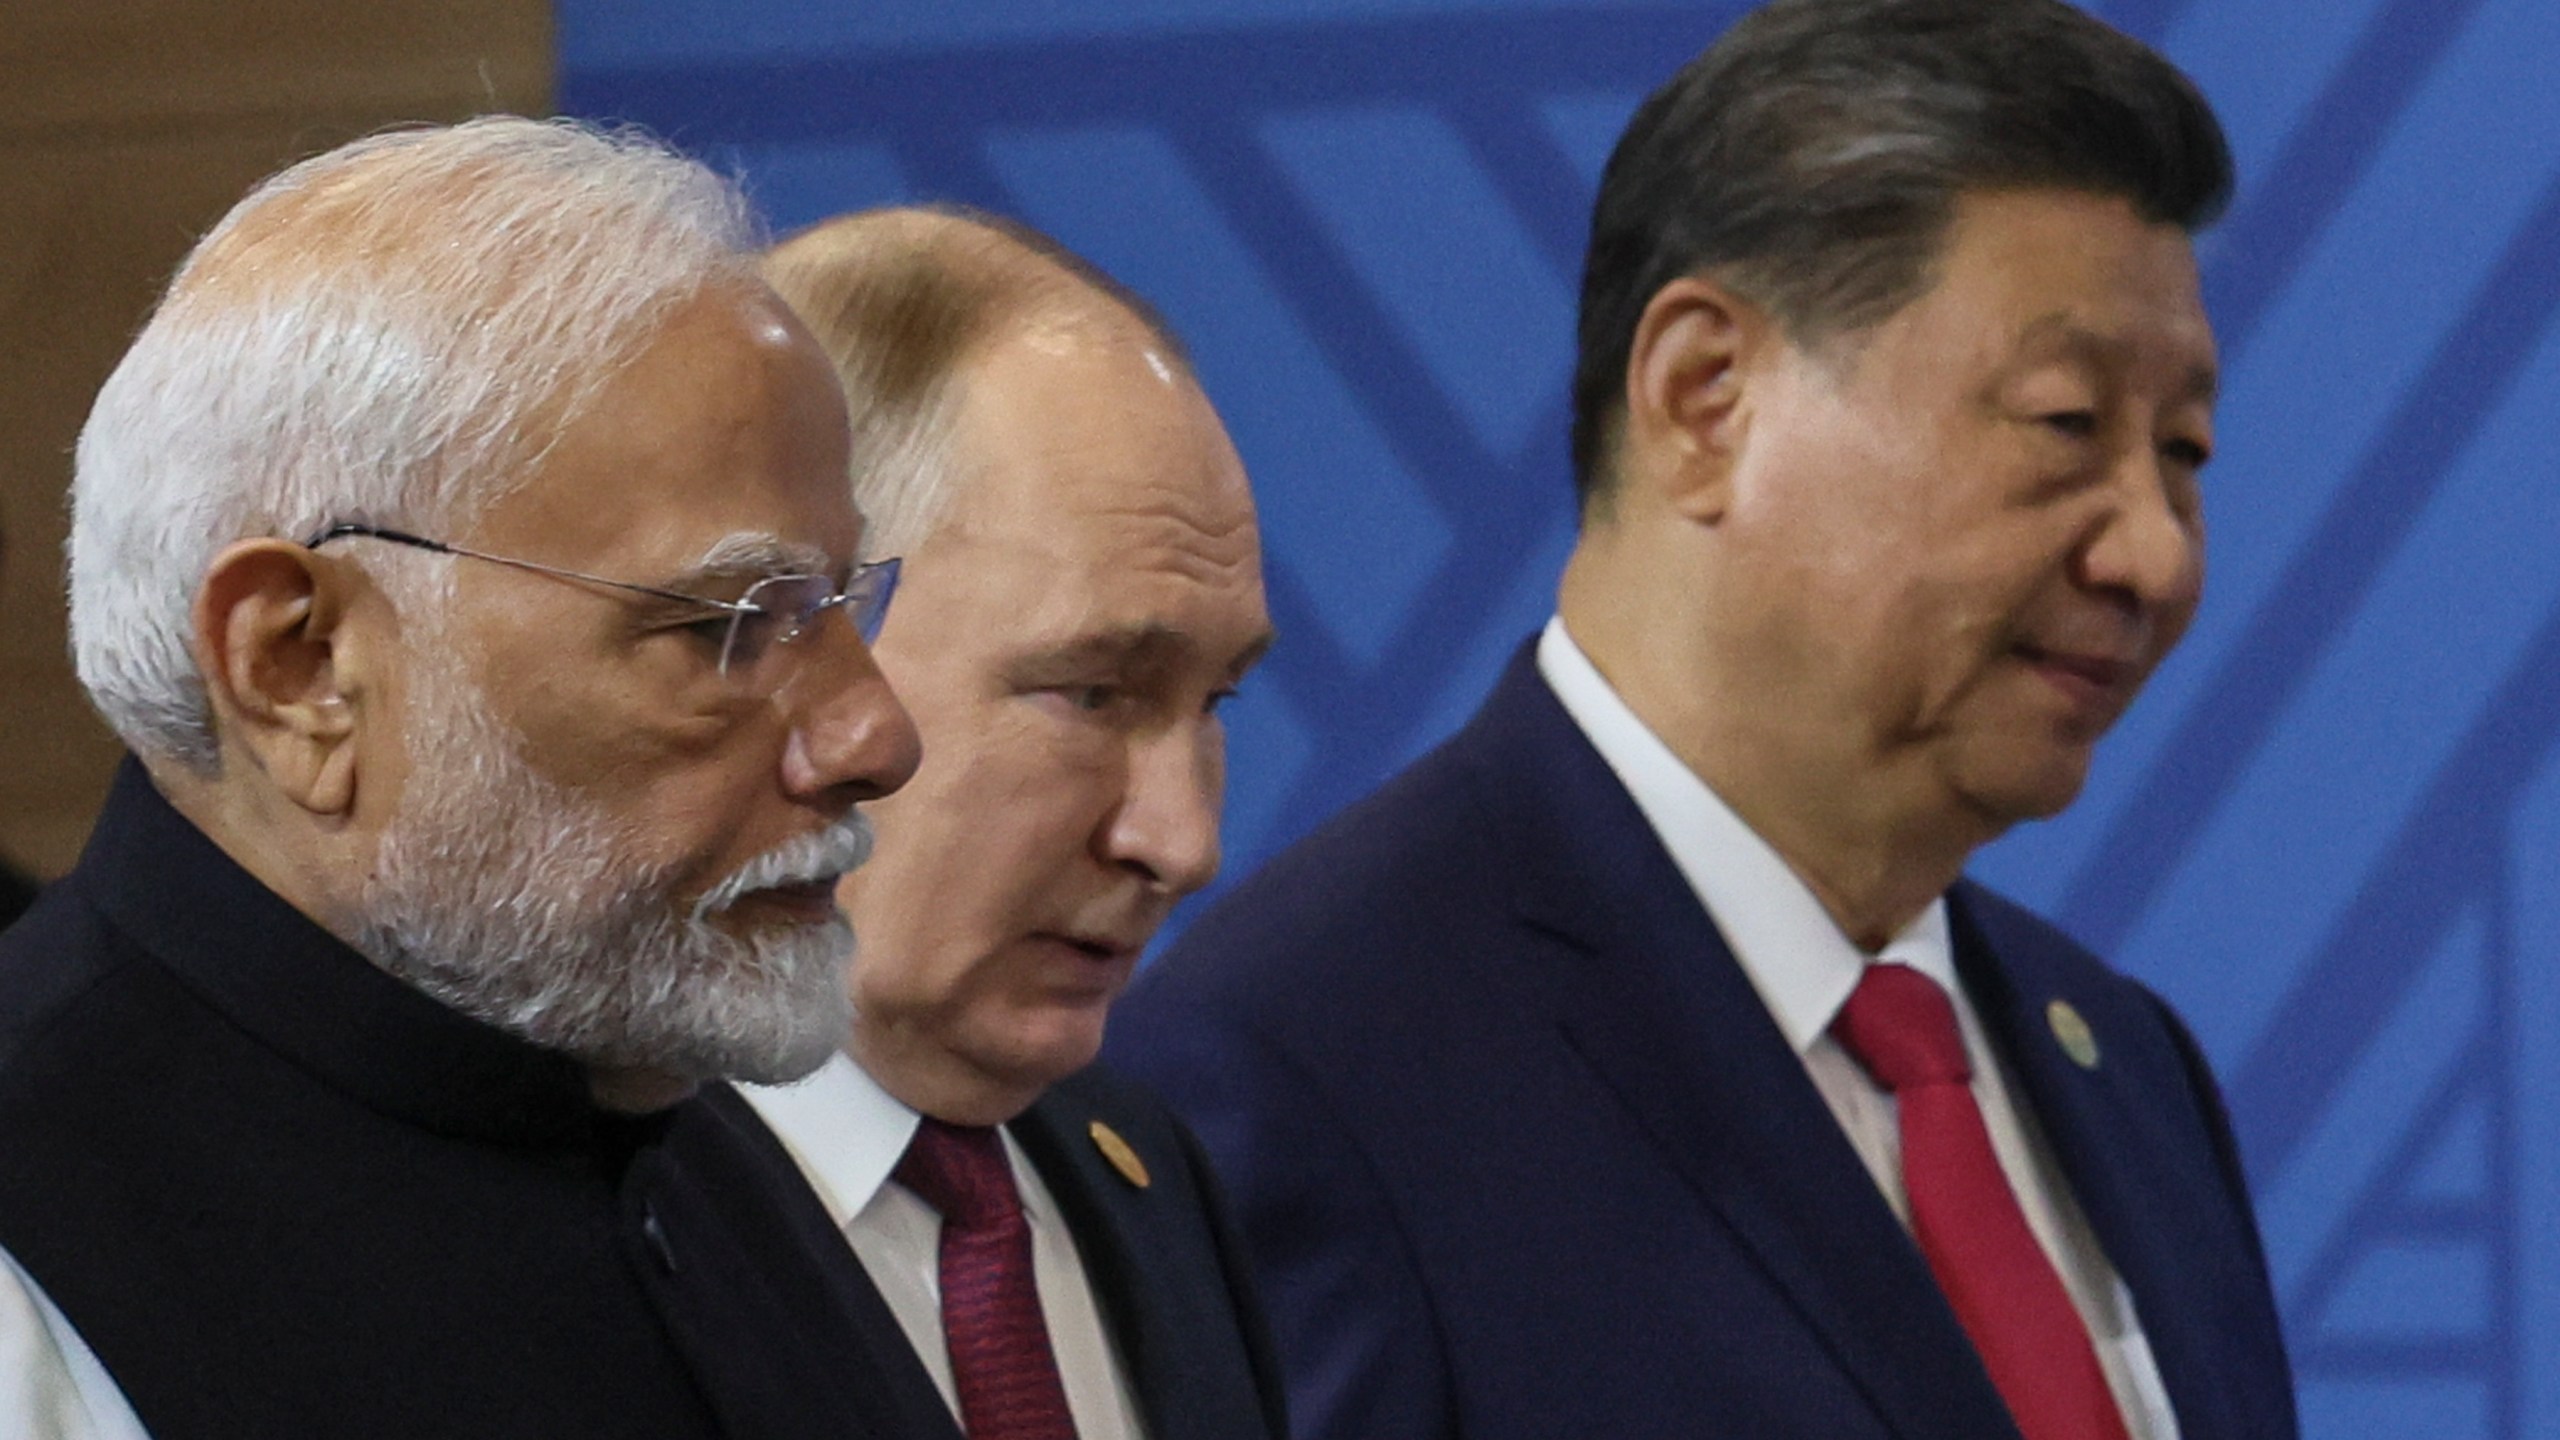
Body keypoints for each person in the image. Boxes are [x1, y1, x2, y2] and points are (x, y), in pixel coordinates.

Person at [1108, 1, 2300, 1437]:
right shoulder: (1302, 1070)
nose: (2157, 555)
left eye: (2184, 454)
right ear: (1704, 397)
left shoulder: (2129, 1071)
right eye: (2065, 422)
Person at [0, 118, 929, 1439]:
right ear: (299, 665)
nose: (875, 736)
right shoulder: (33, 1271)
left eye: (842, 601)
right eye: (729, 623)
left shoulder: (685, 1127)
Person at [723, 207, 1285, 1440]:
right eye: (1091, 694)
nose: (1182, 843)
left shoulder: (1147, 1183)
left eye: (1215, 703)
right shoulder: (552, 1225)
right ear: (797, 651)